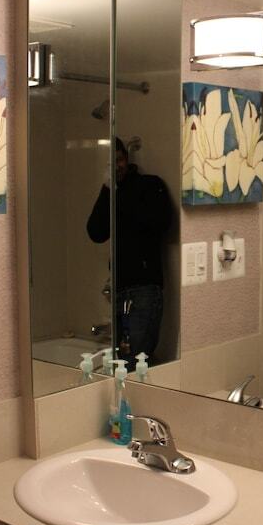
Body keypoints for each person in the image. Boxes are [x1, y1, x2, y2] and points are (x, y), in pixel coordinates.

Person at [87, 138, 172, 365]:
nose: (116, 167)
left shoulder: (149, 185)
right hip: (119, 288)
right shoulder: (111, 192)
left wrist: (118, 195)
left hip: (144, 287)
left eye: (119, 160)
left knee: (136, 360)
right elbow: (95, 232)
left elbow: (161, 222)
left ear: (126, 158)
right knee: (122, 362)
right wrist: (107, 189)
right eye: (110, 163)